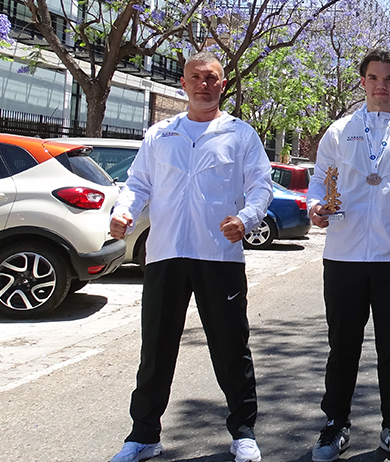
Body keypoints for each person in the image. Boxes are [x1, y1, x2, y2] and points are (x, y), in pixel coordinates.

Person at [107, 51, 274, 462]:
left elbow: (261, 186)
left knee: (231, 347)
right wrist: (124, 211)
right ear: (183, 83)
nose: (204, 84)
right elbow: (138, 183)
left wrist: (246, 219)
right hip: (166, 255)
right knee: (156, 349)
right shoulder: (160, 134)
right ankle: (144, 435)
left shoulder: (240, 134)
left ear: (223, 84)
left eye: (212, 78)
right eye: (196, 77)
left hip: (219, 255)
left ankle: (243, 431)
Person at [305, 49, 390, 462]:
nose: (381, 85)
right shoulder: (339, 130)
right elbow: (319, 180)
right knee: (342, 346)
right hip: (343, 255)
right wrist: (315, 207)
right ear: (362, 82)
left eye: (389, 79)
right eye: (374, 78)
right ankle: (335, 424)